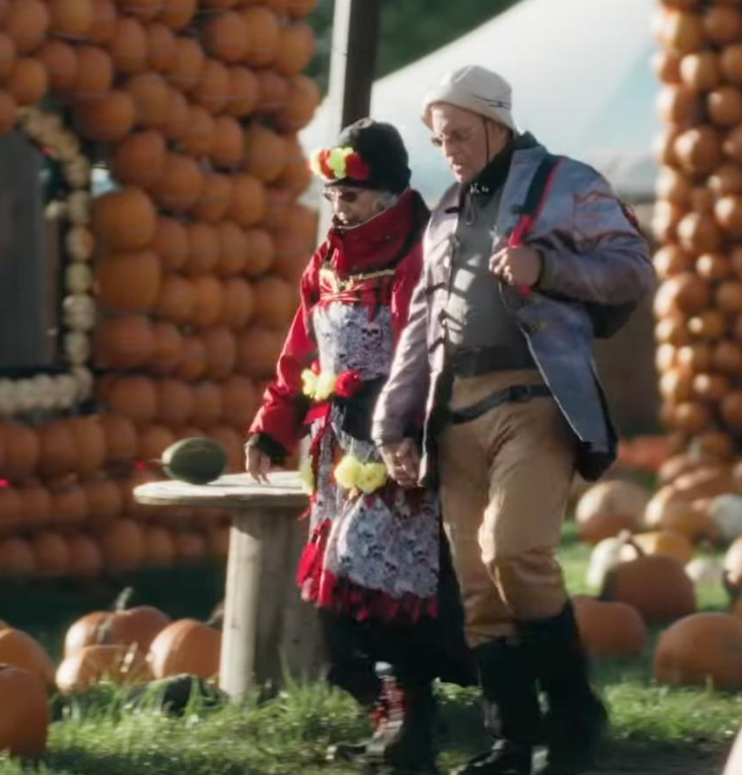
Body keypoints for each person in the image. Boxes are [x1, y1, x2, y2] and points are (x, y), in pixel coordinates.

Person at [372, 66, 656, 775]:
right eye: (441, 140)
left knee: (514, 550)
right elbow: (419, 324)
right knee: (477, 586)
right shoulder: (444, 212)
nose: (452, 150)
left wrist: (545, 265)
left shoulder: (567, 182)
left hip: (533, 402)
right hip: (453, 413)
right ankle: (512, 740)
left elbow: (632, 268)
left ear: (496, 121)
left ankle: (574, 715)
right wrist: (394, 422)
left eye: (461, 135)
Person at [245, 118, 474, 775]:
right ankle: (395, 718)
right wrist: (271, 425)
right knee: (341, 598)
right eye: (331, 196)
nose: (338, 208)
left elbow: (430, 352)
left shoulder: (417, 255)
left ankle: (417, 724)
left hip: (398, 452)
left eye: (349, 195)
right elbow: (301, 352)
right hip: (335, 457)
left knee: (380, 593)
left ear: (386, 194)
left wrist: (391, 412)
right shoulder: (328, 261)